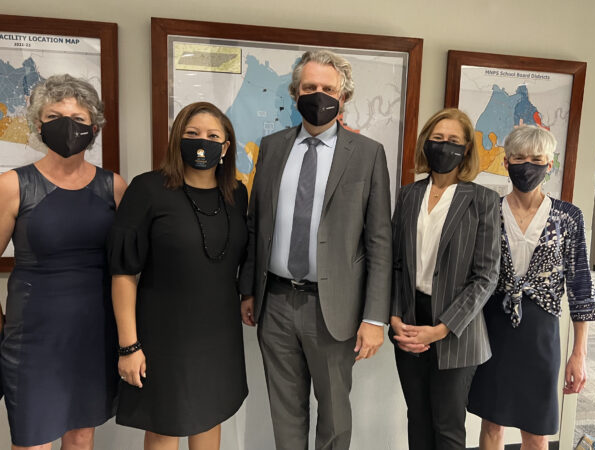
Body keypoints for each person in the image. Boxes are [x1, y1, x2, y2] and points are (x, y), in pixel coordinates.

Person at [239, 49, 392, 450]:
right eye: (310, 87)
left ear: (343, 98)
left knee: (335, 414)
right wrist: (248, 290)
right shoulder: (271, 148)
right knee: (285, 411)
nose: (318, 95)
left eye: (328, 89)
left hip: (333, 308)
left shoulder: (368, 154)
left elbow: (379, 240)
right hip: (274, 302)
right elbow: (256, 225)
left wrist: (375, 318)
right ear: (295, 93)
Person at [109, 102, 248, 450]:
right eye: (192, 134)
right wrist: (129, 346)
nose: (203, 141)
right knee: (165, 426)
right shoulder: (148, 190)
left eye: (213, 136)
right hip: (164, 335)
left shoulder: (236, 194)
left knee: (210, 416)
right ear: (176, 139)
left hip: (219, 334)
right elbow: (123, 272)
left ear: (226, 147)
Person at [0, 74, 127, 449]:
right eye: (56, 116)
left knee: (82, 436)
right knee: (32, 440)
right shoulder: (13, 185)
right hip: (32, 339)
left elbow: (128, 263)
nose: (68, 126)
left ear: (95, 128)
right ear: (39, 124)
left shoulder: (114, 186)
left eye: (79, 119)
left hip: (94, 333)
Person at [468, 125, 595, 449]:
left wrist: (578, 354)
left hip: (541, 332)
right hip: (493, 326)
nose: (528, 164)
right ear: (506, 161)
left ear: (549, 163)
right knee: (492, 421)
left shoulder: (567, 217)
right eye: (519, 157)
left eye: (536, 158)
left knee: (537, 428)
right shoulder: (489, 212)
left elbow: (581, 287)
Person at [389, 108, 500, 450]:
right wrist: (394, 318)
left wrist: (442, 328)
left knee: (448, 426)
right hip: (409, 321)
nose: (444, 146)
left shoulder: (483, 200)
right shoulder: (408, 195)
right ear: (426, 143)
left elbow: (486, 276)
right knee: (417, 418)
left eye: (453, 141)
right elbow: (394, 265)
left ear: (466, 149)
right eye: (437, 139)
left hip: (457, 328)